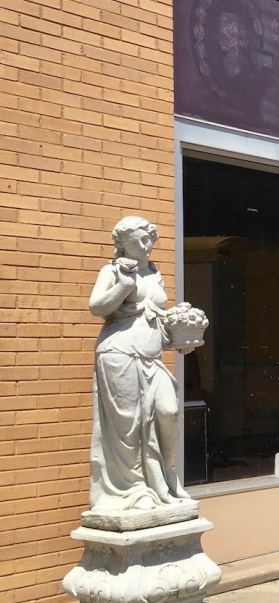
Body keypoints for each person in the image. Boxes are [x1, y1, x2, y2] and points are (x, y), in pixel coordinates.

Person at [88, 216, 192, 512]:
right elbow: (96, 307)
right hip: (119, 353)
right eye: (139, 241)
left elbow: (154, 318)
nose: (147, 245)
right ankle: (134, 488)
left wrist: (178, 333)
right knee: (128, 427)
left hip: (152, 357)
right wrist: (123, 285)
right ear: (122, 244)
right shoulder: (112, 271)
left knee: (168, 411)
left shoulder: (154, 272)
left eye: (149, 239)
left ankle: (165, 473)